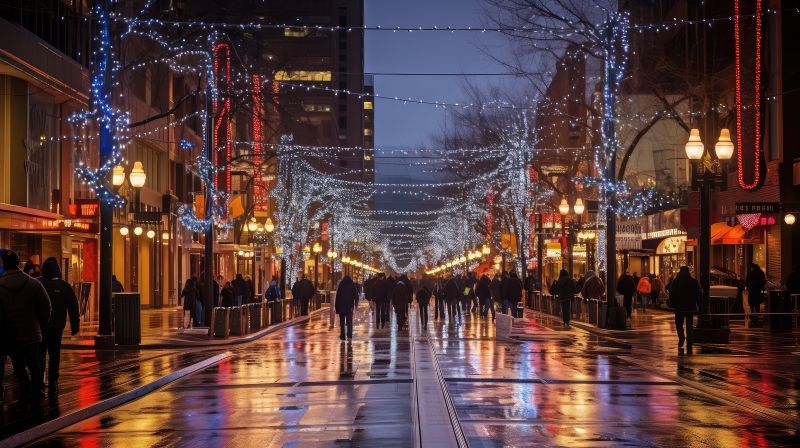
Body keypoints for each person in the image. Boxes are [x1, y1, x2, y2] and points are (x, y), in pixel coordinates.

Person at [0, 250, 51, 403]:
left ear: (4, 265)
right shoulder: (33, 283)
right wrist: (41, 325)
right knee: (34, 364)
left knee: (18, 365)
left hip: (10, 334)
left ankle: (25, 391)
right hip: (32, 332)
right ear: (19, 263)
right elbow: (46, 307)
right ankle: (36, 393)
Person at [37, 258, 80, 397]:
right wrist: (75, 325)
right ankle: (53, 379)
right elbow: (73, 307)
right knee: (54, 353)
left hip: (40, 326)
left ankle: (39, 378)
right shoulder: (64, 286)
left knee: (40, 352)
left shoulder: (37, 283)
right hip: (56, 326)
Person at [668, 266, 701, 354]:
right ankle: (689, 337)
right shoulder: (693, 281)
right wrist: (698, 305)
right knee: (689, 324)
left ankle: (681, 336)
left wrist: (672, 304)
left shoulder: (676, 281)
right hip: (690, 307)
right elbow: (698, 294)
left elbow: (671, 292)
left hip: (679, 307)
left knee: (678, 323)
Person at [335, 276, 358, 340]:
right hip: (349, 306)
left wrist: (336, 307)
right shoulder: (352, 284)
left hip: (341, 306)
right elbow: (356, 295)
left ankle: (342, 336)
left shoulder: (341, 284)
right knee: (349, 321)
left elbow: (337, 296)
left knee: (342, 322)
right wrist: (356, 304)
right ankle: (349, 335)